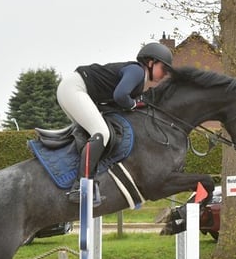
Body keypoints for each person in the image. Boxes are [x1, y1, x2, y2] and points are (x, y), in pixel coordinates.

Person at [56, 42, 173, 204]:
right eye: (164, 68)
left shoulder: (139, 82)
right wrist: (132, 104)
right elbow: (120, 96)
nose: (165, 74)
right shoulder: (137, 71)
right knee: (101, 133)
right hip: (75, 88)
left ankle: (84, 179)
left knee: (96, 134)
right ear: (151, 62)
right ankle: (80, 186)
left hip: (75, 90)